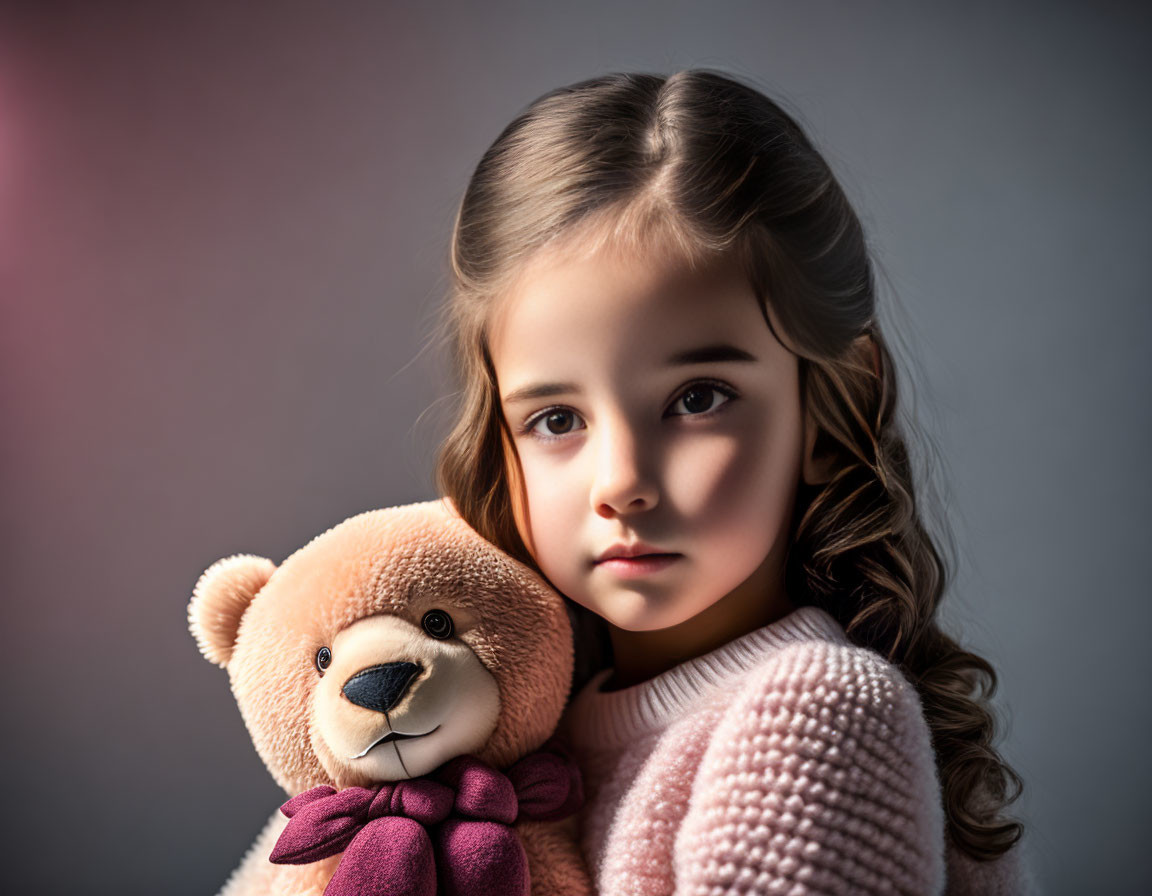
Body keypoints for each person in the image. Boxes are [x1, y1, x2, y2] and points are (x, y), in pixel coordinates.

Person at [434, 69, 1031, 895]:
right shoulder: (527, 740)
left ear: (833, 408)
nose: (622, 483)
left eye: (697, 399)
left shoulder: (819, 712)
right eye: (557, 419)